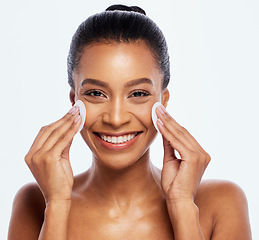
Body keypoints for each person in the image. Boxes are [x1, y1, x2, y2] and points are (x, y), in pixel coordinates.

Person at [8, 4, 252, 240]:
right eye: (96, 93)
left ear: (163, 101)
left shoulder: (221, 203)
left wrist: (182, 207)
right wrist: (57, 205)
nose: (116, 119)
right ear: (74, 101)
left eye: (138, 94)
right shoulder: (34, 203)